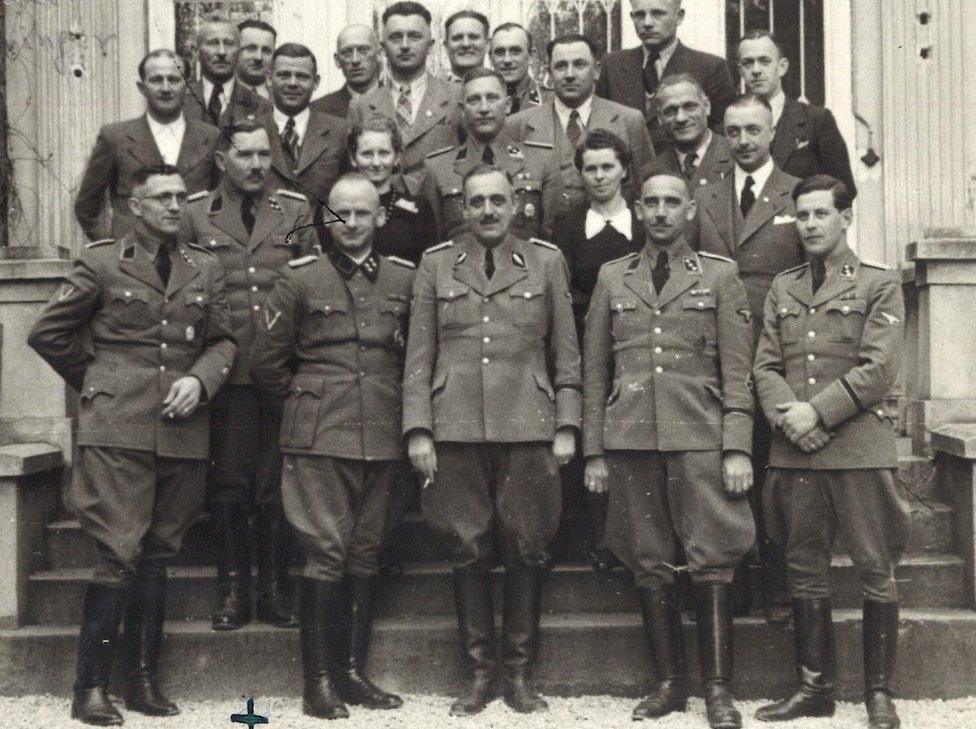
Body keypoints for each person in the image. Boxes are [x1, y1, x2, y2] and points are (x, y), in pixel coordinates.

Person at [28, 165, 236, 726]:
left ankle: (142, 680)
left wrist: (200, 380)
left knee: (160, 552)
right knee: (119, 551)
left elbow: (222, 341)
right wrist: (100, 385)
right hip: (118, 429)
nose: (174, 205)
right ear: (134, 205)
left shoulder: (205, 267)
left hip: (181, 428)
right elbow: (47, 332)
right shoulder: (99, 261)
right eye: (161, 197)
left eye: (179, 196)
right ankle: (89, 687)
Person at [403, 165, 580, 716]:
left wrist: (568, 424)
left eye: (497, 200)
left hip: (529, 423)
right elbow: (418, 358)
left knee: (528, 546)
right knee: (465, 547)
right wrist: (419, 429)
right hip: (454, 425)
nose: (486, 210)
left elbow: (567, 356)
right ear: (462, 207)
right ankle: (480, 674)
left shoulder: (546, 261)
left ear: (516, 204)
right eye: (476, 201)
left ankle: (520, 675)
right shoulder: (435, 265)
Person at [251, 173, 415, 720]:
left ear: (381, 218)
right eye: (340, 214)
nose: (351, 224)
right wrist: (307, 409)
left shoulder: (404, 278)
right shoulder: (299, 279)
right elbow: (268, 364)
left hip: (385, 434)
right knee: (325, 554)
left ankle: (349, 671)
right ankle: (317, 682)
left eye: (363, 214)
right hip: (319, 438)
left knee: (366, 554)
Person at [753, 175, 909, 729]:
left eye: (822, 213)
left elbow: (878, 369)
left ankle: (879, 694)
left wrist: (814, 412)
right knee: (804, 570)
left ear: (846, 217)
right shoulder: (783, 288)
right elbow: (765, 367)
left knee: (875, 567)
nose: (812, 224)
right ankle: (814, 689)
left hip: (859, 449)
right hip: (796, 453)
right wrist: (792, 420)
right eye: (803, 215)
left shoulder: (879, 284)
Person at [181, 121, 317, 633]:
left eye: (264, 154)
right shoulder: (196, 213)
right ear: (221, 160)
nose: (257, 164)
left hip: (282, 368)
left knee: (278, 487)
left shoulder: (295, 210)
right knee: (231, 487)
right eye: (245, 155)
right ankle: (234, 591)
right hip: (230, 374)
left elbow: (311, 280)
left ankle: (274, 589)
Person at [691, 93, 803, 620]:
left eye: (753, 130)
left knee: (776, 470)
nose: (742, 140)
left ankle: (781, 582)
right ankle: (731, 579)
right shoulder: (703, 191)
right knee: (725, 466)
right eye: (732, 131)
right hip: (716, 352)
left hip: (780, 353)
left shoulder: (797, 194)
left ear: (772, 130)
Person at [551, 129, 644, 573]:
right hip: (585, 338)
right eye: (591, 168)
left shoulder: (643, 223)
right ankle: (591, 538)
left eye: (608, 166)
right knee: (590, 428)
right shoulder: (568, 227)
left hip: (637, 340)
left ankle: (630, 536)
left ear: (625, 170)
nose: (600, 176)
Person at [74, 49, 219, 241]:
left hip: (192, 256)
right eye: (156, 80)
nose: (166, 88)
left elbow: (223, 202)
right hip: (133, 261)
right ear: (142, 88)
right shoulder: (115, 137)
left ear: (188, 87)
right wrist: (111, 249)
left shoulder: (210, 137)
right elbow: (86, 205)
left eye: (174, 80)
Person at [508, 34, 655, 214]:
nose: (570, 74)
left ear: (596, 71)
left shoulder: (629, 121)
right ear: (549, 73)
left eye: (579, 65)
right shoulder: (518, 126)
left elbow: (648, 192)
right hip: (541, 239)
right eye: (561, 66)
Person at [421, 68, 558, 242]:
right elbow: (432, 247)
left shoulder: (541, 162)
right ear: (462, 110)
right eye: (474, 100)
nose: (484, 108)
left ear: (507, 105)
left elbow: (553, 242)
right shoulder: (437, 168)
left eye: (492, 98)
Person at [348, 2, 462, 196]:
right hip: (385, 214)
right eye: (396, 37)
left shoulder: (456, 96)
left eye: (415, 37)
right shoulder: (362, 106)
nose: (405, 45)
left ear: (431, 46)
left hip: (441, 211)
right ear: (382, 48)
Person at [597, 0, 736, 149]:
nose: (647, 22)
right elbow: (599, 128)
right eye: (639, 15)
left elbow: (724, 135)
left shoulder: (711, 67)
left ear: (679, 17)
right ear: (631, 17)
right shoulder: (612, 65)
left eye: (657, 13)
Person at [738, 30, 857, 197]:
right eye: (748, 63)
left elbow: (844, 190)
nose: (756, 70)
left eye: (764, 61)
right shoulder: (730, 127)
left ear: (782, 67)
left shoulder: (817, 120)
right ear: (740, 70)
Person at [316, 116, 436, 264]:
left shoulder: (418, 210)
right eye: (367, 154)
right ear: (353, 158)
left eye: (384, 153)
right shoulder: (331, 208)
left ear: (397, 157)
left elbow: (429, 269)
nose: (376, 162)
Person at [263, 44, 348, 209]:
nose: (292, 83)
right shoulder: (250, 131)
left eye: (302, 76)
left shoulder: (341, 131)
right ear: (268, 79)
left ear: (316, 82)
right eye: (284, 75)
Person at [184, 16, 271, 127]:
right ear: (196, 52)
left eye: (228, 43)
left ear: (239, 53)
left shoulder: (261, 106)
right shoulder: (179, 101)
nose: (222, 52)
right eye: (213, 43)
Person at [654, 73, 733, 191]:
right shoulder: (653, 171)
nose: (681, 118)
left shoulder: (736, 156)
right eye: (670, 111)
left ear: (707, 106)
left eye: (690, 106)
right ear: (660, 118)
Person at [311, 24, 383, 118]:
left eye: (363, 50)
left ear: (379, 54)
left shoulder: (398, 103)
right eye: (347, 52)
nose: (355, 60)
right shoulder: (316, 111)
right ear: (337, 60)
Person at [489, 23, 548, 114]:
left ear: (531, 56)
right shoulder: (481, 103)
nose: (507, 60)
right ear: (491, 59)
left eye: (515, 52)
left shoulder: (550, 101)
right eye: (500, 52)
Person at [441, 10, 489, 84]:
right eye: (457, 38)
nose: (466, 44)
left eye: (473, 37)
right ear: (446, 46)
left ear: (487, 44)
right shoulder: (430, 91)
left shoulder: (501, 88)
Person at [235, 19, 277, 100]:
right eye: (251, 48)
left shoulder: (282, 100)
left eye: (266, 51)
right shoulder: (214, 98)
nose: (258, 57)